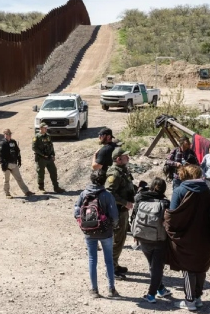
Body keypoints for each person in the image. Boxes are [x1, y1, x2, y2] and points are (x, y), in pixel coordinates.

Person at [165, 163, 210, 311]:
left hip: (186, 235)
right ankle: (198, 297)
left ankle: (189, 300)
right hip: (204, 234)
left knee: (187, 267)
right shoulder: (207, 190)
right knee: (200, 266)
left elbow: (172, 214)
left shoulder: (180, 190)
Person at [74, 169, 120, 298]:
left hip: (89, 232)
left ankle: (94, 290)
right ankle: (111, 289)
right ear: (104, 180)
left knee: (92, 259)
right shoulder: (107, 195)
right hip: (106, 232)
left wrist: (83, 224)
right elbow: (115, 216)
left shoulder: (84, 194)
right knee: (109, 261)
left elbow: (76, 211)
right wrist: (112, 226)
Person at [132, 177, 172, 303]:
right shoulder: (165, 203)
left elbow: (133, 216)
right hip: (159, 240)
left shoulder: (140, 198)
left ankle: (161, 289)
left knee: (152, 265)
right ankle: (151, 294)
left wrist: (135, 234)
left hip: (143, 237)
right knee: (157, 268)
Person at [106, 147, 135, 276]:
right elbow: (110, 192)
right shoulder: (115, 174)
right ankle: (111, 267)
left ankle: (114, 264)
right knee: (118, 239)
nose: (128, 158)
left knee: (120, 238)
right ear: (118, 159)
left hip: (123, 210)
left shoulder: (122, 171)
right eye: (125, 157)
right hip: (117, 211)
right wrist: (125, 203)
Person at [0, 129, 35, 198]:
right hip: (7, 164)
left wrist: (19, 159)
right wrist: (2, 164)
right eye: (7, 134)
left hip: (14, 163)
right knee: (6, 180)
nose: (9, 135)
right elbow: (0, 155)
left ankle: (26, 191)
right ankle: (7, 194)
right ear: (4, 135)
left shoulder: (13, 142)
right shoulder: (2, 143)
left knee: (19, 178)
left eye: (9, 134)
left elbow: (17, 151)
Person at [32, 123, 65, 193]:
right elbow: (34, 148)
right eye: (44, 128)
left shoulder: (48, 136)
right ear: (41, 128)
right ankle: (41, 188)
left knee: (53, 171)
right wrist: (42, 154)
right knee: (41, 173)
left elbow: (51, 145)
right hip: (41, 158)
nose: (46, 129)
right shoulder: (37, 137)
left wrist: (53, 154)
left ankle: (56, 187)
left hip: (49, 157)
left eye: (46, 128)